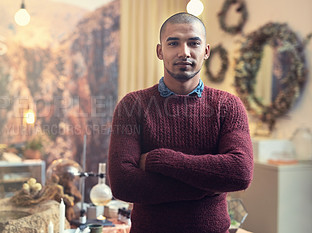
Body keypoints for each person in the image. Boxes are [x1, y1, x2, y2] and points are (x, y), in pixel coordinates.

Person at [107, 12, 253, 233]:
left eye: (193, 43)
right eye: (173, 43)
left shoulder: (228, 106)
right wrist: (210, 184)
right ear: (160, 51)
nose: (184, 52)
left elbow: (239, 173)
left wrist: (160, 160)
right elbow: (123, 184)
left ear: (206, 51)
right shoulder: (132, 105)